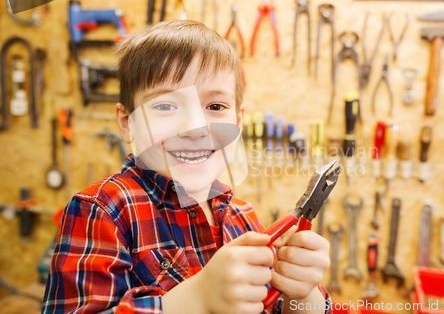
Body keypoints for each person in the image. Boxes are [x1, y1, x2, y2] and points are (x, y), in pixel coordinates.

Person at [42, 20, 332, 314]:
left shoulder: (242, 217)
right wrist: (195, 299)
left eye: (216, 107)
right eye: (166, 106)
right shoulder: (103, 210)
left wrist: (303, 294)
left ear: (239, 122)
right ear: (127, 122)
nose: (195, 128)